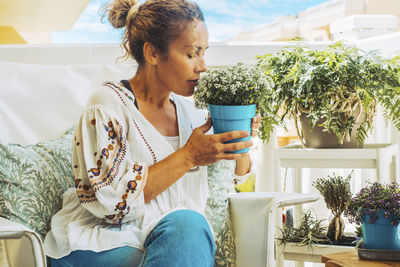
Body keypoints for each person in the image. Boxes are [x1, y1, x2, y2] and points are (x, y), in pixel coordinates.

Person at [44, 0, 259, 266]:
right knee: (188, 228)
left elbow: (239, 175)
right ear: (153, 53)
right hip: (99, 244)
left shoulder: (193, 113)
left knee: (188, 231)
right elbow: (109, 204)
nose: (202, 66)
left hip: (168, 241)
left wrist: (240, 141)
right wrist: (189, 156)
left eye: (204, 53)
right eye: (191, 54)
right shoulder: (107, 106)